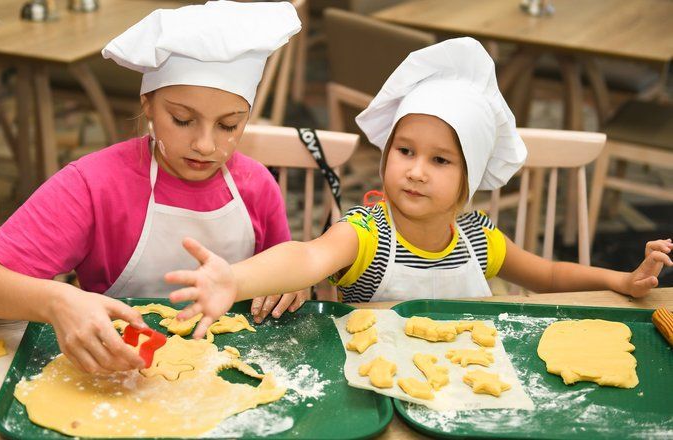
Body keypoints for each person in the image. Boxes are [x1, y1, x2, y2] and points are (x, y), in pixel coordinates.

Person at [164, 37, 673, 339]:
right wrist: (234, 280)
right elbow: (307, 257)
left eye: (440, 160)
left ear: (470, 178)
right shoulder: (366, 235)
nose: (416, 171)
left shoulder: (479, 239)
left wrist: (621, 280)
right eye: (405, 151)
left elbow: (549, 273)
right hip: (375, 383)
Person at [0, 1, 306, 374]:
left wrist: (288, 287)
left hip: (232, 369)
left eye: (228, 125)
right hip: (119, 371)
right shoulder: (94, 185)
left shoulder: (257, 186)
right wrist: (56, 300)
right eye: (182, 119)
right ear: (147, 104)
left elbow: (286, 276)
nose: (204, 144)